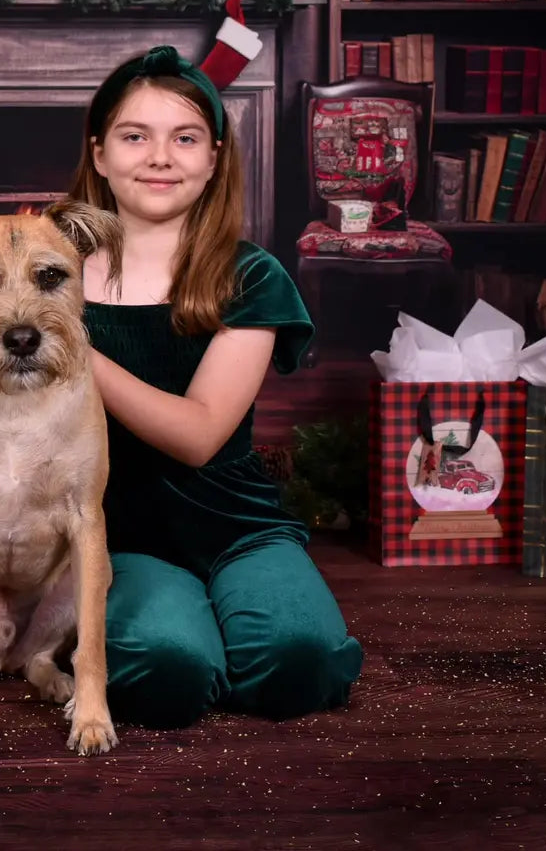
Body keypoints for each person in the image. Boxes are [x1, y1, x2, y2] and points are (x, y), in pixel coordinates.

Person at [69, 45, 363, 729]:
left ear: (213, 158)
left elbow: (201, 434)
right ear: (101, 153)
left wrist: (76, 349)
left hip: (237, 527)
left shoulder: (251, 276)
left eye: (186, 138)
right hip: (117, 533)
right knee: (169, 668)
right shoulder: (55, 272)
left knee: (300, 658)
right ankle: (186, 628)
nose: (160, 156)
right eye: (135, 136)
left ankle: (233, 612)